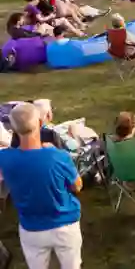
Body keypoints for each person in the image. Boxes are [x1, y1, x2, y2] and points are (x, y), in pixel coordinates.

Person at [0, 103, 83, 269]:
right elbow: (77, 186)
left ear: (13, 129)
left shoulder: (4, 158)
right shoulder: (59, 156)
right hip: (65, 225)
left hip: (31, 228)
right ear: (39, 123)